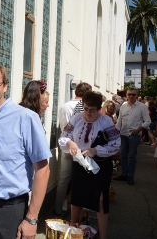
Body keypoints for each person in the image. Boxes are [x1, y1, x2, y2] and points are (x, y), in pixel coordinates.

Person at [0, 62, 51, 239]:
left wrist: (31, 219)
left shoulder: (26, 118)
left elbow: (43, 169)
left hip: (10, 210)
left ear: (5, 86)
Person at [58, 91, 121, 239]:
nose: (88, 113)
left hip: (100, 165)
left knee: (100, 199)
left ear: (98, 109)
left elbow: (116, 144)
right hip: (80, 164)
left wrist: (95, 150)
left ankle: (103, 236)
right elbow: (63, 137)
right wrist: (70, 142)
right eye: (86, 109)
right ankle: (73, 231)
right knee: (77, 196)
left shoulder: (105, 121)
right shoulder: (76, 118)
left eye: (92, 110)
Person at [54, 82, 92, 216]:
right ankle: (77, 211)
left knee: (64, 179)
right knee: (80, 179)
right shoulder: (85, 108)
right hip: (80, 147)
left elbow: (63, 126)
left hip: (66, 145)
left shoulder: (64, 106)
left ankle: (58, 208)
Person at [113, 88, 151, 185]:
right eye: (129, 94)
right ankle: (124, 174)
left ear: (136, 95)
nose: (131, 96)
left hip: (134, 135)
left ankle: (130, 176)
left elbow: (148, 121)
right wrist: (116, 132)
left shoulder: (141, 106)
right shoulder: (123, 106)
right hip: (123, 134)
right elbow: (119, 121)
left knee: (132, 156)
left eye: (133, 95)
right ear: (126, 95)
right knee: (123, 155)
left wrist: (138, 130)